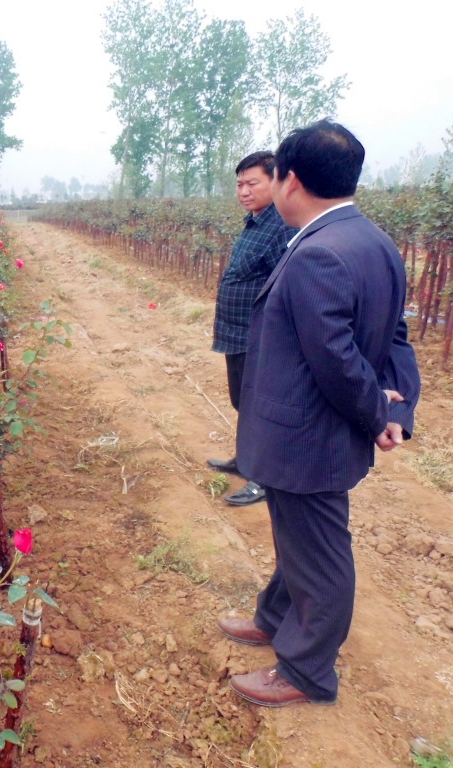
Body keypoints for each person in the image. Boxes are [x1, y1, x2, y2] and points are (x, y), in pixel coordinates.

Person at [218, 120, 420, 707]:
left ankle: (306, 671)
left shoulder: (318, 254)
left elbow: (337, 358)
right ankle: (276, 618)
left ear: (291, 180)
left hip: (307, 436)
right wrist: (394, 409)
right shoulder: (372, 241)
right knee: (298, 540)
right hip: (318, 434)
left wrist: (372, 415)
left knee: (321, 554)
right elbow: (395, 339)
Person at [208, 151, 297, 506]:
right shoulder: (256, 221)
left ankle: (263, 478)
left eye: (252, 183)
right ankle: (245, 461)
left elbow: (283, 284)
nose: (243, 191)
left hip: (258, 337)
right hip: (236, 333)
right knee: (243, 402)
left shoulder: (280, 227)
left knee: (260, 407)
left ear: (274, 182)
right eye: (239, 184)